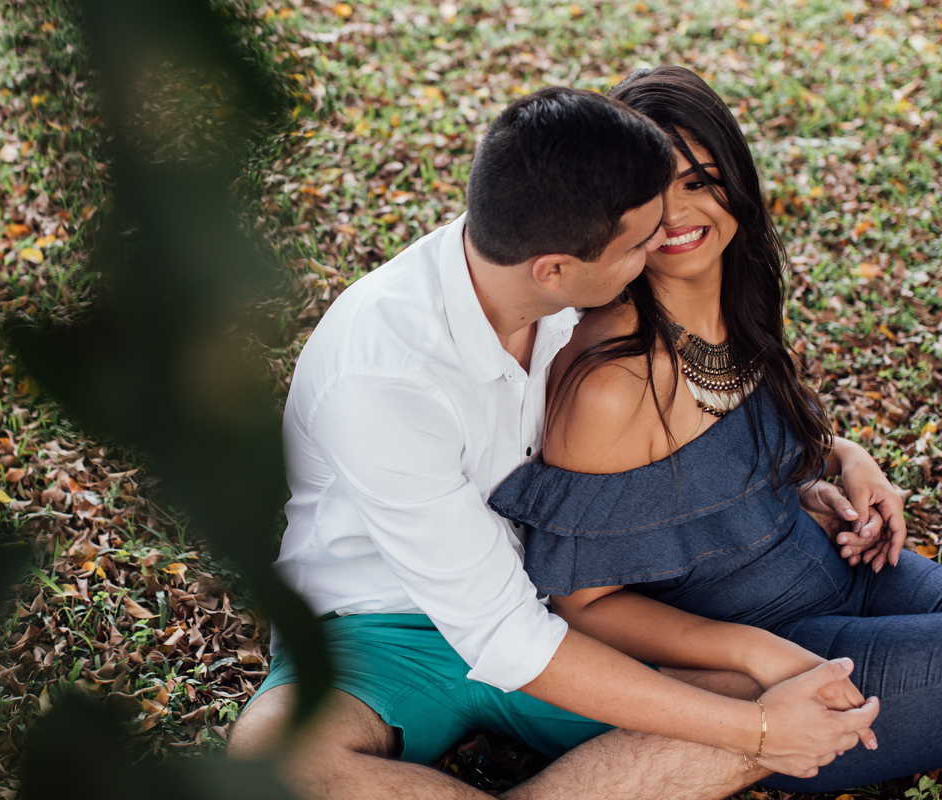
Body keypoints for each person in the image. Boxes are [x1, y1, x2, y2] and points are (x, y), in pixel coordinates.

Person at [229, 85, 885, 800]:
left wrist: (831, 460)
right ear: (555, 269)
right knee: (272, 762)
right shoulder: (382, 378)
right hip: (376, 633)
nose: (657, 250)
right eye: (638, 245)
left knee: (777, 686)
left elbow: (699, 412)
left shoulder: (554, 255)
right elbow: (502, 637)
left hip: (557, 613)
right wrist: (754, 733)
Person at [490, 66, 940, 794]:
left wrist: (848, 460)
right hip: (781, 658)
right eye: (651, 195)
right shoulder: (613, 382)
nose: (677, 216)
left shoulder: (739, 298)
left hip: (851, 575)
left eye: (700, 181)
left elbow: (735, 464)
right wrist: (756, 655)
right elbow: (585, 607)